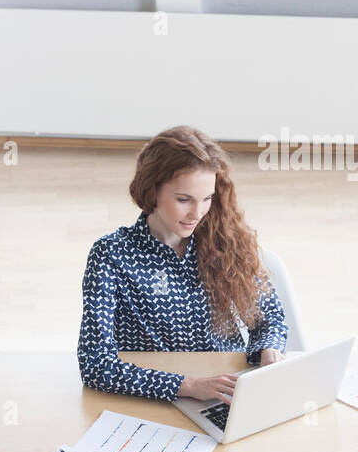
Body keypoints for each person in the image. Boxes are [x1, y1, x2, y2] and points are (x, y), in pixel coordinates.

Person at [77, 125, 288, 405]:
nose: (197, 213)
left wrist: (269, 349)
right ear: (151, 190)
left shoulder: (226, 240)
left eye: (207, 199)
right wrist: (186, 385)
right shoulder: (111, 255)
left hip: (227, 394)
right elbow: (95, 364)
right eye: (183, 199)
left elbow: (270, 318)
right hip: (152, 400)